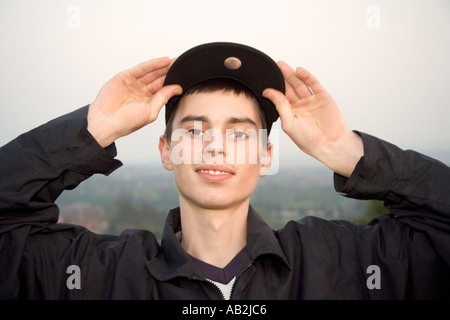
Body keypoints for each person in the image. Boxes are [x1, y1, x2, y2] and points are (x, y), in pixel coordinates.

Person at [0, 42, 449, 300]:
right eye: (195, 131)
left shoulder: (339, 265)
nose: (215, 146)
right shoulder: (100, 276)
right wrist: (92, 129)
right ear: (166, 151)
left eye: (238, 134)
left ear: (266, 155)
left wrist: (346, 150)